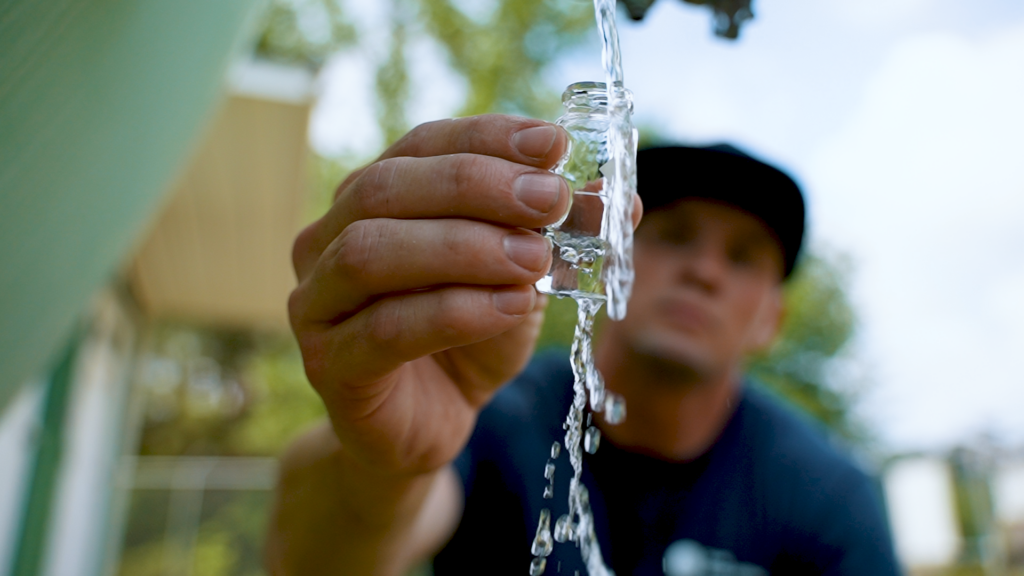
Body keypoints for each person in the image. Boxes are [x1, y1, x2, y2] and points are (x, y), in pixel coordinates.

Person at [266, 115, 900, 576]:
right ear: (609, 253)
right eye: (673, 235)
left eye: (741, 257)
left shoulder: (826, 495)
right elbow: (312, 562)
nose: (705, 271)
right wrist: (386, 464)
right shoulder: (487, 406)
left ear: (771, 319)